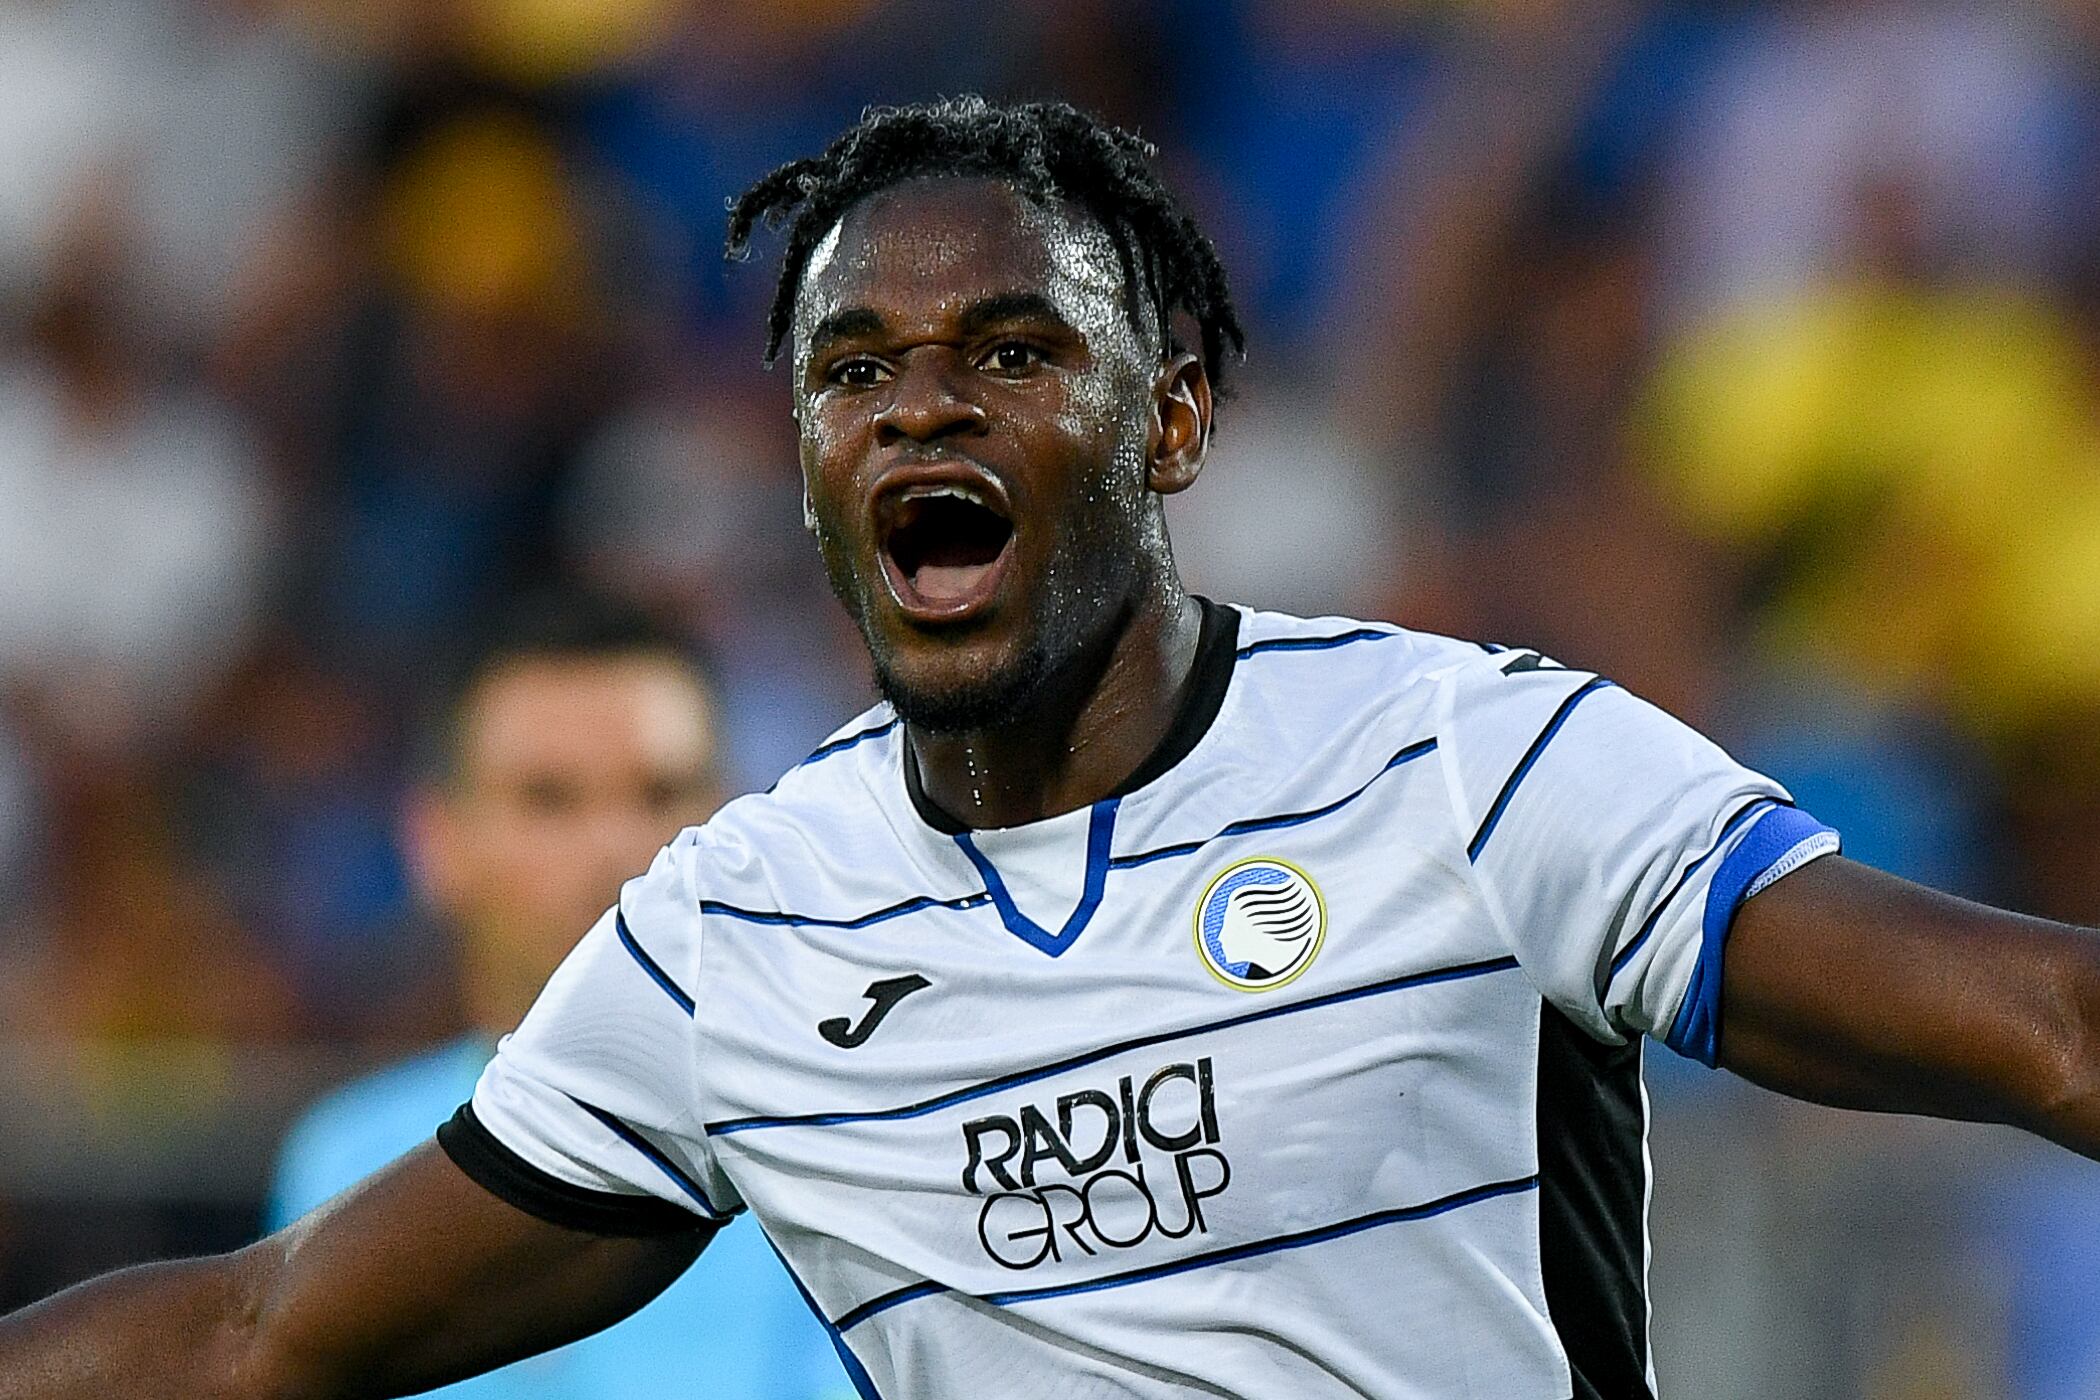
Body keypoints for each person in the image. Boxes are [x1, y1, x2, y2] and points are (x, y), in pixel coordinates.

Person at [2, 96, 2097, 1400]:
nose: (922, 409)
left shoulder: (1467, 765)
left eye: (1014, 353)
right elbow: (264, 1334)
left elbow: (2055, 1031)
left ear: (1170, 420)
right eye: (856, 370)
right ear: (808, 461)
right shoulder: (744, 930)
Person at [263, 594, 851, 1400]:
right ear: (436, 840)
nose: (613, 848)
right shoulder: (345, 1160)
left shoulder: (848, 1141)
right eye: (549, 799)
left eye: (658, 793)